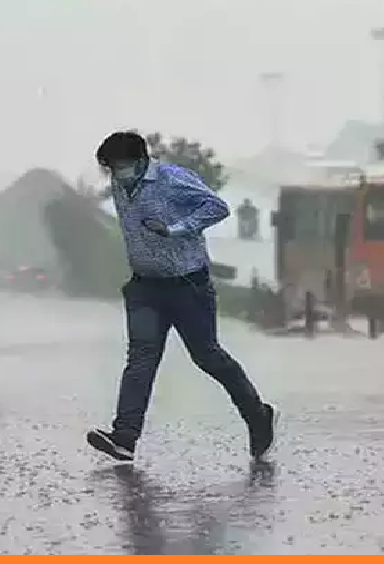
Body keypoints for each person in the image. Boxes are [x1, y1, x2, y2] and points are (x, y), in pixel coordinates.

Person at [86, 131, 277, 462]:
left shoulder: (172, 179)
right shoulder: (119, 185)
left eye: (122, 165)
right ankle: (125, 436)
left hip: (188, 285)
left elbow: (217, 207)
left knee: (208, 357)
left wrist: (175, 228)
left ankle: (258, 415)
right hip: (145, 286)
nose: (117, 173)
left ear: (141, 161)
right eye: (111, 167)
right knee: (141, 358)